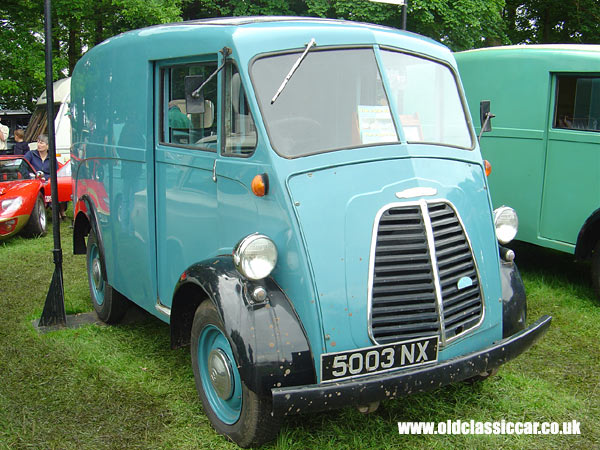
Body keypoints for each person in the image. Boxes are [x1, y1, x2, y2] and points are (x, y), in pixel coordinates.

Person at [24, 134, 66, 220]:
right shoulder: (31, 154)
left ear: (47, 145)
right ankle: (54, 211)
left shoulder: (52, 156)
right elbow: (23, 166)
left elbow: (56, 171)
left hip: (48, 180)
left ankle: (61, 211)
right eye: (38, 142)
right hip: (35, 179)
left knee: (59, 186)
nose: (39, 145)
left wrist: (50, 179)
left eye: (42, 143)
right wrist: (29, 175)